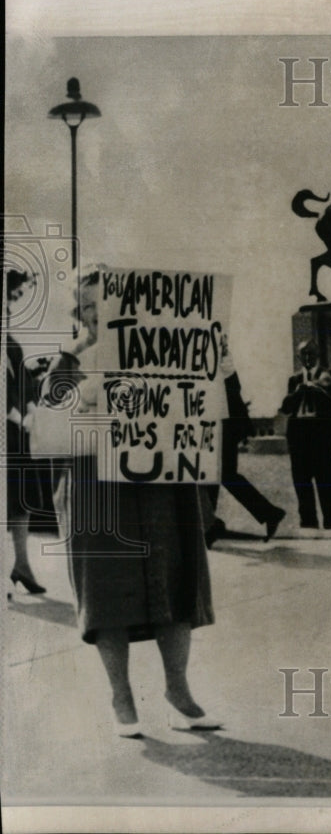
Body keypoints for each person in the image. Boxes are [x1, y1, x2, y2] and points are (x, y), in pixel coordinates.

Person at [41, 267, 219, 736]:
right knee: (106, 587)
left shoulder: (160, 347)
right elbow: (45, 415)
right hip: (95, 484)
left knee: (176, 581)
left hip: (160, 481)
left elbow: (198, 400)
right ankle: (121, 696)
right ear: (76, 312)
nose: (97, 314)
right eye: (86, 307)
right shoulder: (71, 358)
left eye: (105, 304)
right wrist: (77, 361)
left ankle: (177, 689)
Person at [204, 336, 286, 547]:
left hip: (223, 427)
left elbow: (229, 391)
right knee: (219, 475)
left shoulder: (222, 362)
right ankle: (210, 525)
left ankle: (210, 525)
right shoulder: (221, 360)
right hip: (223, 427)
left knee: (216, 474)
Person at [280, 339, 331, 530]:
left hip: (322, 435)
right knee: (302, 483)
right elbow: (285, 409)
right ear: (298, 357)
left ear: (318, 354)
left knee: (327, 482)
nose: (308, 357)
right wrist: (296, 394)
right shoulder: (294, 379)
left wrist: (325, 388)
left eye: (311, 353)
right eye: (304, 354)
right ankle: (308, 525)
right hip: (299, 435)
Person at [5, 268, 45, 594]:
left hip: (15, 435)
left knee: (20, 500)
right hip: (9, 427)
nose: (12, 305)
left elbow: (24, 383)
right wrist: (20, 416)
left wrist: (32, 411)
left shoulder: (12, 344)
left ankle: (22, 563)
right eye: (12, 295)